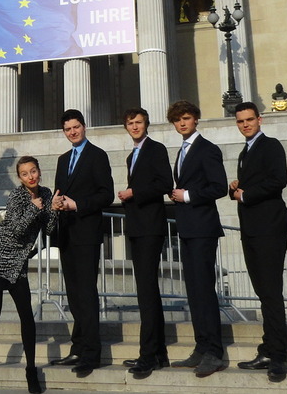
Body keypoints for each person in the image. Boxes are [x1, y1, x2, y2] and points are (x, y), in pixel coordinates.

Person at [0, 156, 56, 393]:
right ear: (20, 178)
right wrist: (34, 210)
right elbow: (16, 229)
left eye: (33, 171)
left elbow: (48, 229)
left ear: (39, 171)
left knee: (27, 317)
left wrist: (54, 209)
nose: (30, 176)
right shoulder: (17, 196)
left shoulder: (46, 194)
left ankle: (31, 373)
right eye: (25, 174)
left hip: (18, 263)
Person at [48, 109, 114, 376]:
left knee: (86, 293)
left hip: (86, 231)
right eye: (67, 129)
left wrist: (78, 205)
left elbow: (106, 194)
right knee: (74, 294)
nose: (72, 132)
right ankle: (78, 347)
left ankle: (92, 353)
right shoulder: (63, 159)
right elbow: (59, 191)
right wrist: (55, 202)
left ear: (84, 127)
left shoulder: (98, 156)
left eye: (76, 127)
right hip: (67, 234)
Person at [230, 102, 287, 382]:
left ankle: (278, 356)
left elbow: (279, 180)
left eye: (249, 120)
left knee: (271, 291)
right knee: (264, 292)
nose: (245, 124)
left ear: (260, 119)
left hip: (269, 227)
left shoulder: (271, 145)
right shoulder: (246, 151)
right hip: (252, 228)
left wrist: (246, 194)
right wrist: (237, 188)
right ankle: (268, 347)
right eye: (241, 121)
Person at [166, 100, 228, 377]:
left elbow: (219, 187)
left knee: (204, 290)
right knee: (194, 291)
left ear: (196, 120)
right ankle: (202, 347)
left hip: (203, 228)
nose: (182, 123)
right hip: (188, 228)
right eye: (177, 119)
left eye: (187, 118)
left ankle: (215, 351)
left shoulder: (207, 149)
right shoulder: (181, 150)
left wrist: (187, 195)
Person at [117, 107, 173, 378]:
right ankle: (158, 352)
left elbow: (165, 183)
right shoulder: (132, 156)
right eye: (130, 123)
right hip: (137, 228)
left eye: (138, 122)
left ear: (146, 124)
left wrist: (133, 192)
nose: (135, 126)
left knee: (147, 291)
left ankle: (148, 355)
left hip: (151, 227)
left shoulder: (156, 149)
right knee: (146, 290)